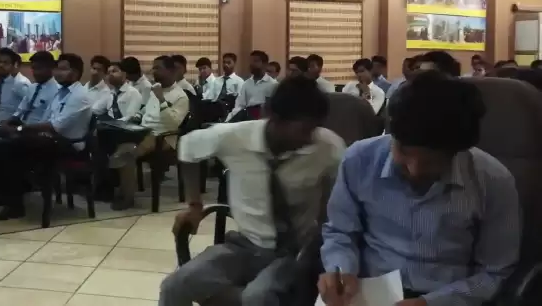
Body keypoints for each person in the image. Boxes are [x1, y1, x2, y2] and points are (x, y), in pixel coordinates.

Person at [319, 71, 520, 306]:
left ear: (456, 151)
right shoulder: (360, 159)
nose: (414, 170)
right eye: (404, 152)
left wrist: (431, 303)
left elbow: (494, 272)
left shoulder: (493, 180)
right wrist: (340, 270)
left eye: (431, 161)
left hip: (446, 296)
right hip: (369, 292)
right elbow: (341, 231)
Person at [161, 76, 346, 306]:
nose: (309, 137)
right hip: (244, 245)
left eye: (314, 128)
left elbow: (339, 202)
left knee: (257, 298)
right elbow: (187, 147)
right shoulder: (235, 136)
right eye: (303, 129)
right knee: (174, 287)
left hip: (294, 252)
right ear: (274, 117)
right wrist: (194, 205)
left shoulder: (327, 147)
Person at [0, 53, 93, 220]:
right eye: (57, 69)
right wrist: (18, 129)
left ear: (74, 72)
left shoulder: (79, 96)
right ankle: (0, 195)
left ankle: (14, 204)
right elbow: (45, 119)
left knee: (9, 148)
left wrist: (21, 129)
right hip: (50, 140)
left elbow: (55, 126)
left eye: (62, 69)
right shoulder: (62, 93)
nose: (57, 73)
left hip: (68, 145)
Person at [0, 51, 60, 203]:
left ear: (51, 69)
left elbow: (48, 122)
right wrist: (6, 124)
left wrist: (19, 130)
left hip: (38, 135)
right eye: (33, 68)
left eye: (39, 69)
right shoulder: (33, 88)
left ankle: (12, 200)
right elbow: (19, 112)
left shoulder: (56, 91)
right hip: (21, 131)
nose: (35, 72)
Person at [110, 55, 190, 210]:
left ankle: (127, 197)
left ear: (171, 71)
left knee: (128, 152)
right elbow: (146, 110)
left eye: (158, 68)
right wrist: (137, 116)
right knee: (117, 145)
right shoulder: (155, 89)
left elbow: (173, 123)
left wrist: (161, 100)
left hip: (163, 136)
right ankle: (118, 189)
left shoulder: (181, 96)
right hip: (144, 131)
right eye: (153, 68)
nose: (153, 71)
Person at [227, 50, 278, 121]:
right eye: (250, 61)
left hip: (263, 119)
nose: (251, 64)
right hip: (246, 118)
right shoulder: (246, 84)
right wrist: (229, 120)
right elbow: (239, 106)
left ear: (265, 64)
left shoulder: (273, 85)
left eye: (255, 61)